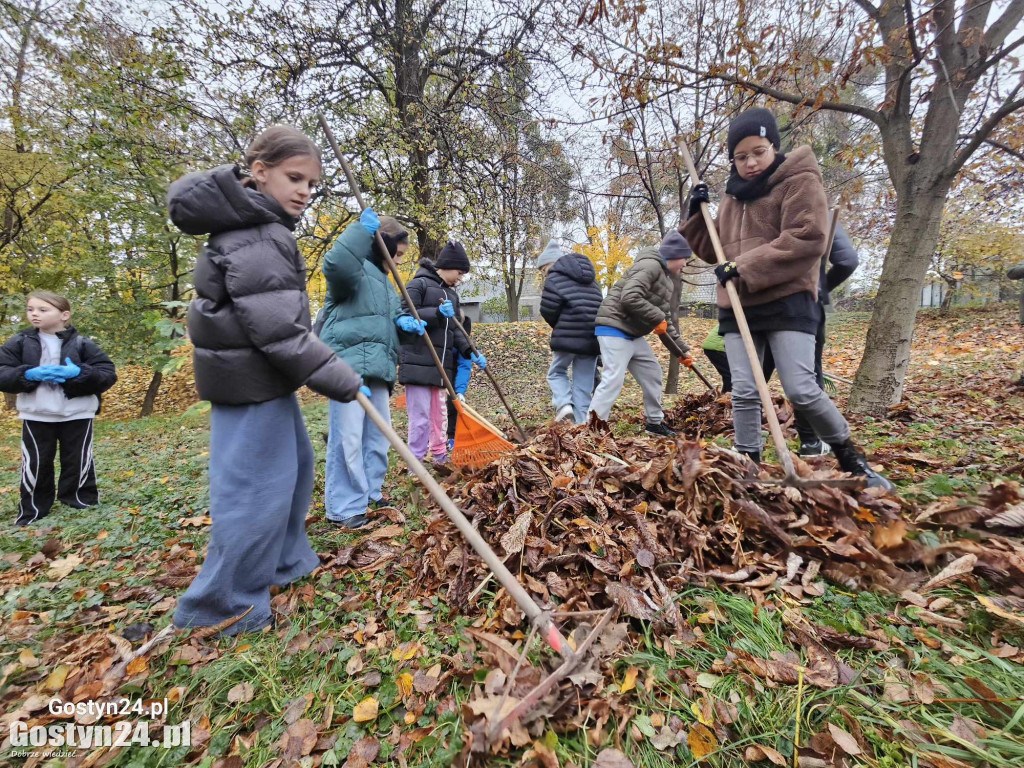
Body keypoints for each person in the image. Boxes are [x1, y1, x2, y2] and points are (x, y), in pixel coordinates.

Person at [166, 125, 364, 635]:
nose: (303, 191)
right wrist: (341, 378)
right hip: (247, 382)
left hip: (258, 380)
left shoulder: (261, 228)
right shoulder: (256, 235)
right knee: (255, 491)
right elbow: (281, 332)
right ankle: (224, 606)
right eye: (294, 178)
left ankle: (282, 563)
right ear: (259, 172)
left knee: (294, 469)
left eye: (312, 185)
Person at [681, 107, 892, 489]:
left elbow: (807, 237)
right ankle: (749, 463)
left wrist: (743, 265)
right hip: (739, 304)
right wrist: (695, 212)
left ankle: (851, 457)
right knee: (743, 391)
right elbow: (713, 251)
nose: (750, 162)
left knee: (801, 388)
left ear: (774, 147)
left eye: (758, 151)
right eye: (740, 156)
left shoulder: (800, 179)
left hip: (788, 300)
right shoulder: (732, 195)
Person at [319, 212, 424, 529]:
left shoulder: (386, 283)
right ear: (383, 244)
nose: (399, 261)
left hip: (379, 367)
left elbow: (388, 324)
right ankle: (344, 506)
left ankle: (371, 493)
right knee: (347, 437)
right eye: (398, 253)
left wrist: (405, 326)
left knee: (379, 436)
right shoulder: (354, 270)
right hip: (348, 365)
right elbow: (336, 266)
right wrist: (358, 232)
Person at [0, 291, 117, 525]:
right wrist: (26, 373)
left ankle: (79, 500)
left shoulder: (83, 343)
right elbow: (2, 372)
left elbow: (107, 373)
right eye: (31, 309)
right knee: (36, 463)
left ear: (64, 315)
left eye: (43, 310)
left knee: (78, 459)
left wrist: (80, 373)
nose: (34, 314)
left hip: (78, 412)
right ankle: (34, 509)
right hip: (36, 414)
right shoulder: (19, 342)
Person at [761, 221, 860, 456]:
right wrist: (819, 287)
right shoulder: (819, 214)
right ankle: (810, 441)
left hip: (760, 305)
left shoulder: (763, 210)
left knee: (756, 375)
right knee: (806, 377)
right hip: (803, 307)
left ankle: (749, 441)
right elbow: (848, 261)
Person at [587, 231, 693, 435]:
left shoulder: (667, 281)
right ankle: (591, 430)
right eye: (684, 258)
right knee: (613, 379)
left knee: (652, 373)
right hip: (614, 328)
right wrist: (656, 318)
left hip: (633, 334)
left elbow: (665, 321)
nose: (685, 264)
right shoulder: (650, 265)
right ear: (673, 254)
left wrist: (682, 352)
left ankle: (654, 423)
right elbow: (630, 297)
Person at [398, 241, 485, 463]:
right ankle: (415, 462)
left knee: (440, 415)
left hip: (441, 365)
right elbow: (406, 313)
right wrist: (435, 313)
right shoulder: (418, 285)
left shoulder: (452, 296)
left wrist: (469, 350)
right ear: (447, 265)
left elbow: (455, 330)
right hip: (418, 362)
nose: (460, 278)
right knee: (420, 418)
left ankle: (439, 455)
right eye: (459, 272)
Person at [538, 239, 604, 424]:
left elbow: (548, 309)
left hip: (567, 335)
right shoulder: (592, 279)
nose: (545, 274)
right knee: (584, 383)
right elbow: (600, 304)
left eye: (544, 269)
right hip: (592, 336)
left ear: (552, 263)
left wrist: (559, 326)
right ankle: (581, 423)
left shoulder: (555, 277)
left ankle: (564, 404)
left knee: (557, 372)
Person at [446, 314, 474, 452]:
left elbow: (464, 365)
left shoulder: (464, 339)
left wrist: (460, 391)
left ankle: (452, 436)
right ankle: (432, 437)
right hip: (435, 369)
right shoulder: (441, 332)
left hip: (454, 371)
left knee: (453, 405)